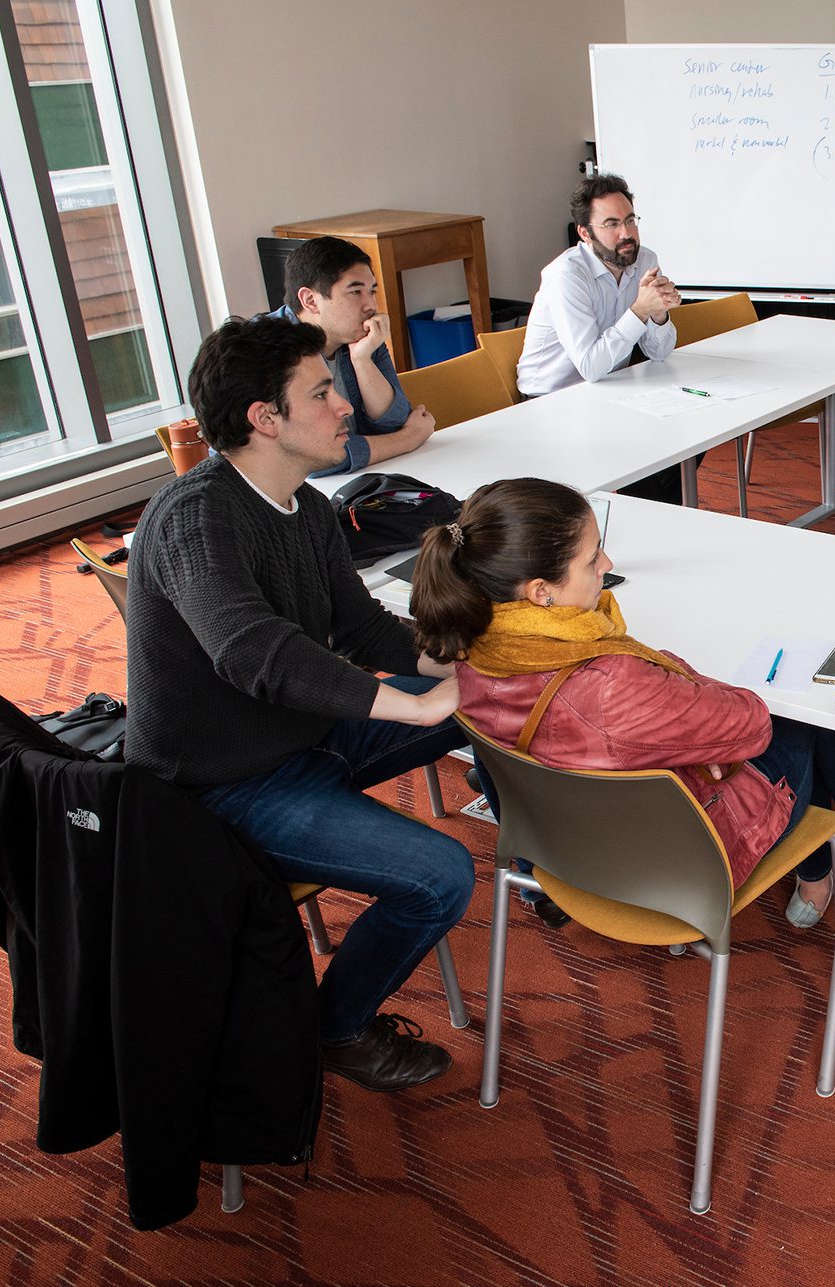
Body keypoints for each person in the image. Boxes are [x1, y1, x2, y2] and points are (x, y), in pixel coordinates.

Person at [124, 316, 474, 1092]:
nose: (344, 403)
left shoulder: (306, 509)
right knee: (443, 875)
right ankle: (334, 1028)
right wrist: (413, 707)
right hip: (224, 786)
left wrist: (462, 663)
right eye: (322, 391)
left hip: (303, 737)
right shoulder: (196, 516)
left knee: (488, 702)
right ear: (264, 418)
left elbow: (362, 628)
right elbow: (251, 652)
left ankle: (550, 851)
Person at [409, 478, 835, 927]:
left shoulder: (471, 646)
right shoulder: (610, 681)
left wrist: (686, 730)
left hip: (561, 849)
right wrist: (700, 725)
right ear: (542, 592)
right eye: (592, 556)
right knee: (805, 709)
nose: (608, 563)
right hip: (677, 867)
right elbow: (752, 723)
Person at [516, 173, 689, 504]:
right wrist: (640, 311)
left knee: (687, 434)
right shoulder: (567, 275)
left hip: (609, 389)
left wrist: (659, 314)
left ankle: (659, 520)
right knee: (646, 451)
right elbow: (590, 366)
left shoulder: (645, 260)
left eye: (630, 220)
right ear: (585, 232)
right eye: (611, 224)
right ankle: (640, 524)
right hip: (549, 402)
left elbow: (660, 352)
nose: (626, 234)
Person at [259, 235, 435, 476]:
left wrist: (362, 361)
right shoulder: (268, 350)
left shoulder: (358, 336)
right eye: (355, 292)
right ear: (310, 300)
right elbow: (313, 457)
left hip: (363, 481)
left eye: (372, 291)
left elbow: (395, 421)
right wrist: (409, 438)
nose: (370, 305)